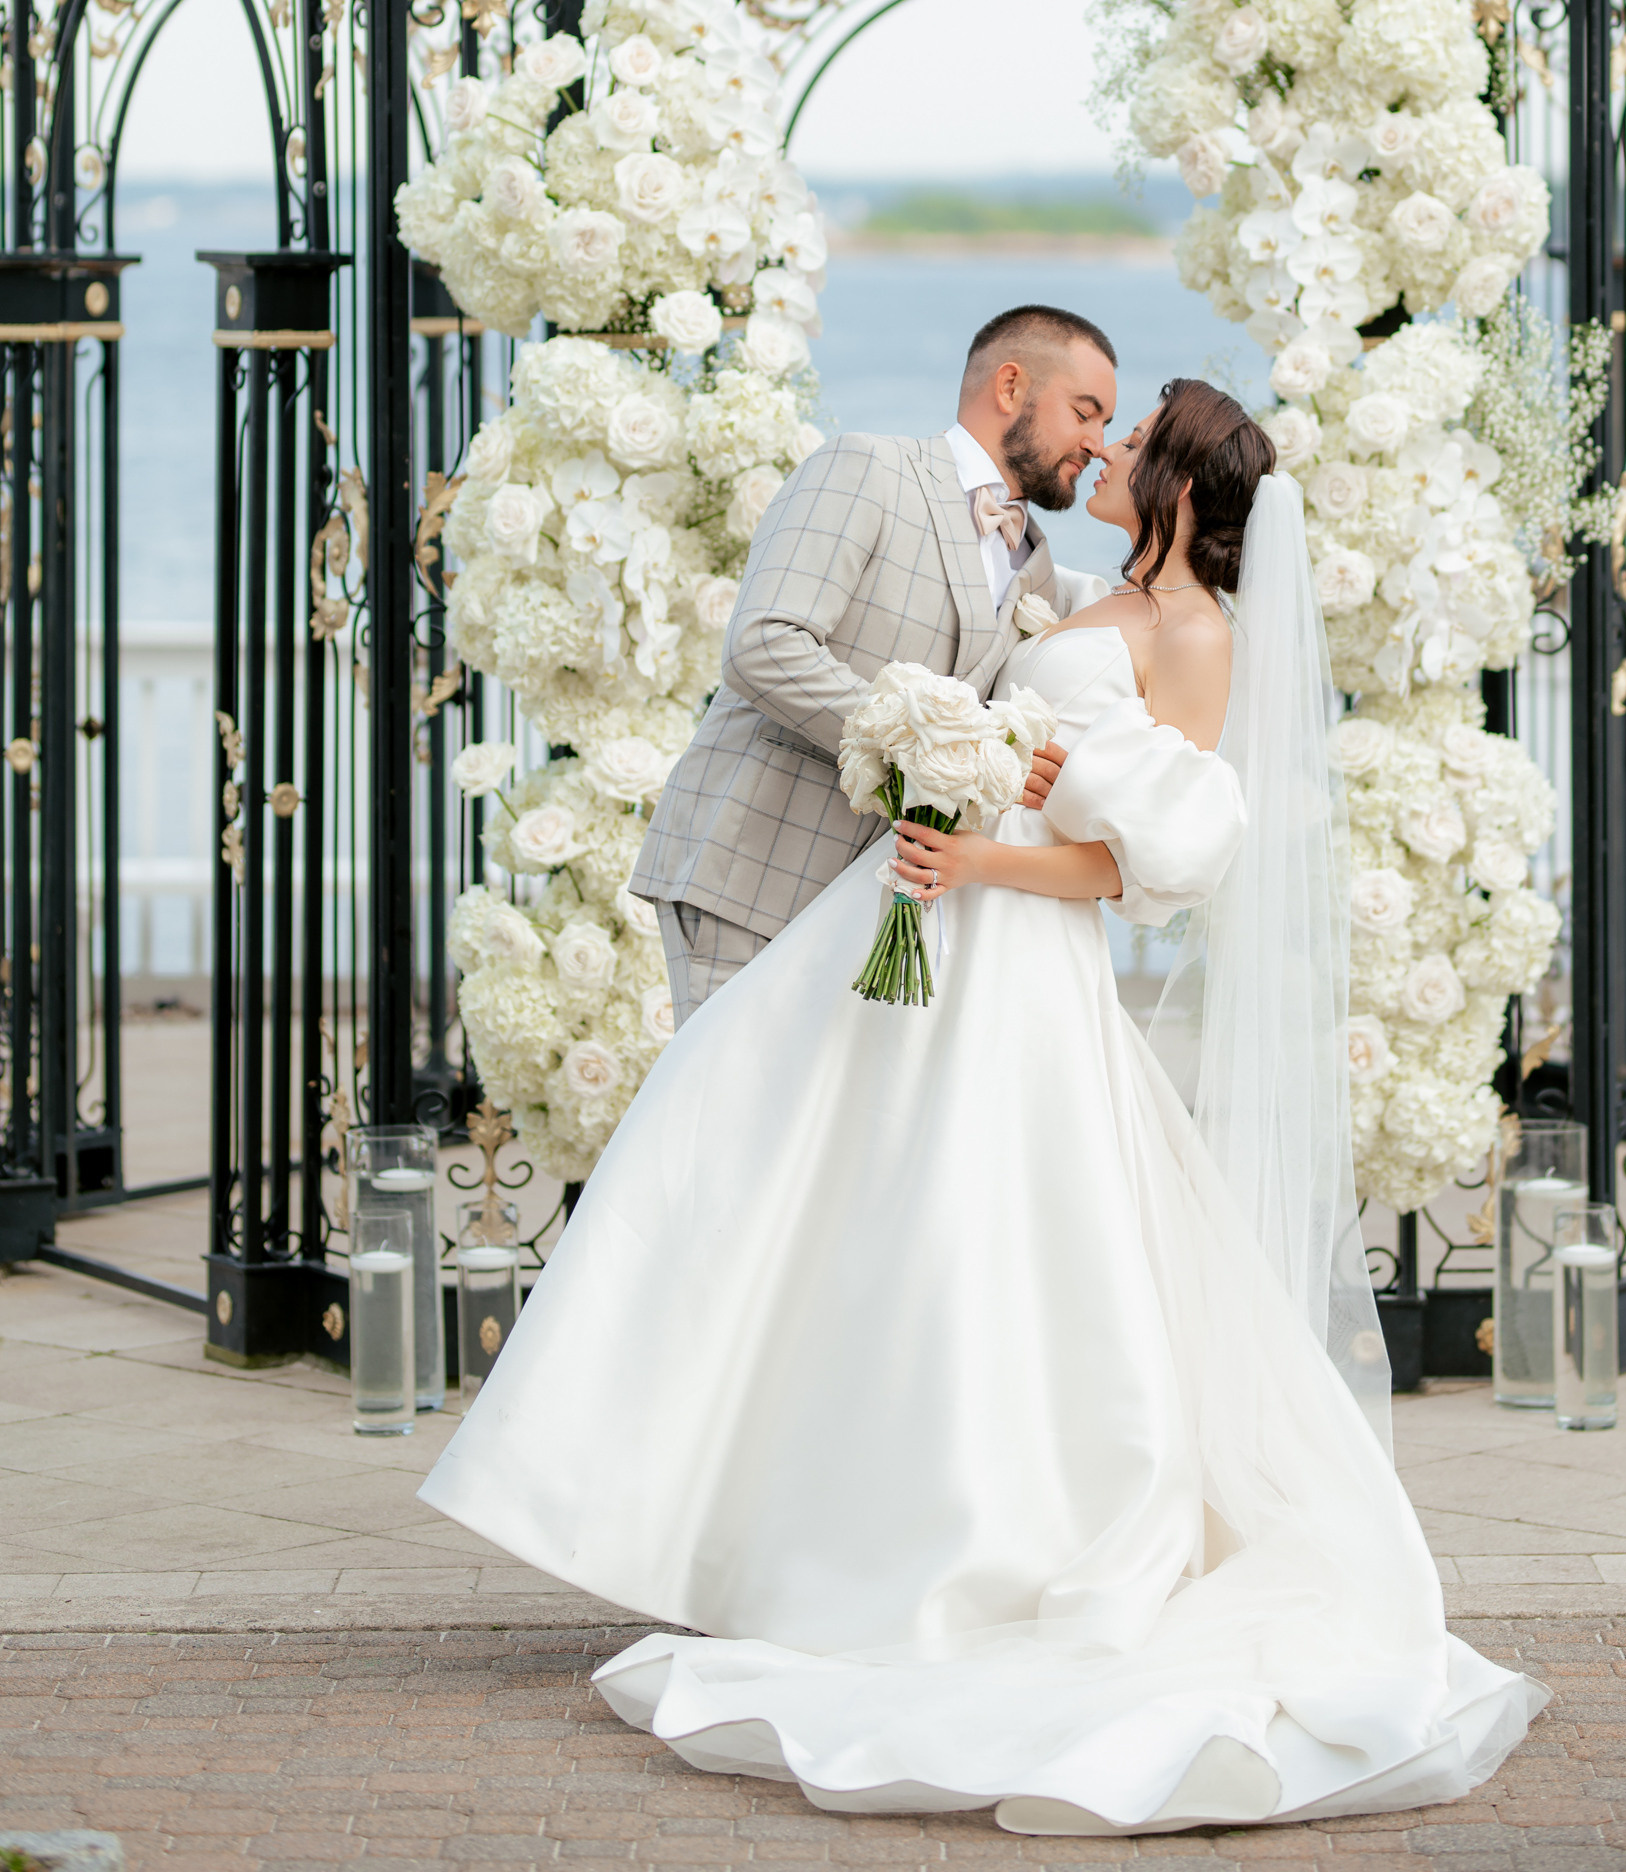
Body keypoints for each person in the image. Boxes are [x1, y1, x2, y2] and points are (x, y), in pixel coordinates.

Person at [422, 377, 1544, 1837]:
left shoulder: (1196, 635)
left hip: (1007, 959)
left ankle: (944, 1549)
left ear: (1185, 486)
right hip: (907, 939)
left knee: (972, 1246)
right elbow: (1011, 734)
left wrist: (980, 862)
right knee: (761, 1165)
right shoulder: (1076, 594)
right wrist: (946, 778)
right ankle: (698, 1508)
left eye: (1134, 440)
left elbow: (1146, 866)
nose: (1110, 448)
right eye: (1104, 422)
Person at [626, 302, 1119, 1019]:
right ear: (1011, 387)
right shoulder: (867, 467)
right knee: (727, 1125)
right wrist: (939, 745)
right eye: (1085, 412)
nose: (1098, 443)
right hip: (756, 872)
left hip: (878, 912)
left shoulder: (1035, 565)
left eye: (1106, 424)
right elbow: (765, 642)